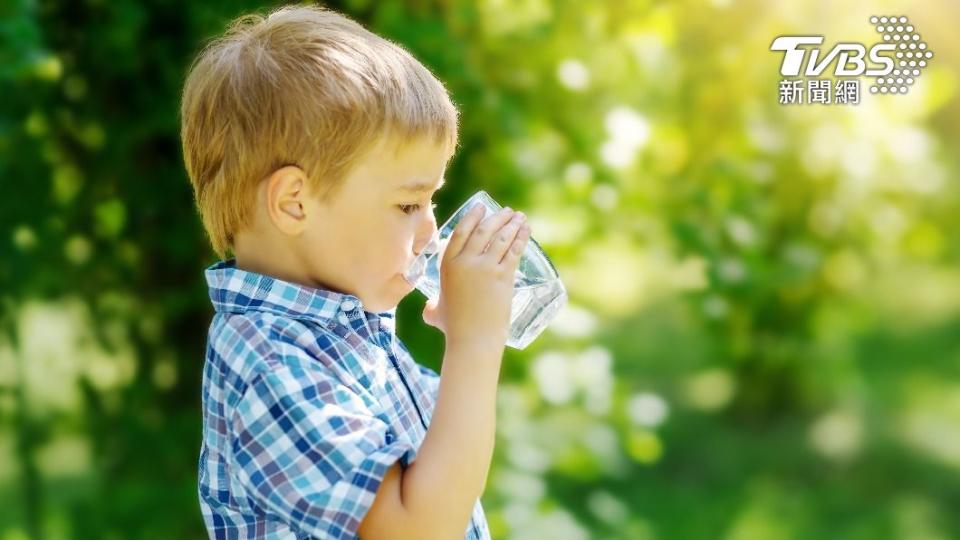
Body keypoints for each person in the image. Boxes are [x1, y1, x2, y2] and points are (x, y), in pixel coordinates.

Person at [180, 4, 530, 539]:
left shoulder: (344, 328)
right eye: (408, 205)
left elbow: (443, 465)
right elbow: (418, 529)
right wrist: (475, 345)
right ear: (295, 203)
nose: (429, 234)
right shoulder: (271, 364)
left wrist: (468, 331)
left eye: (431, 201)